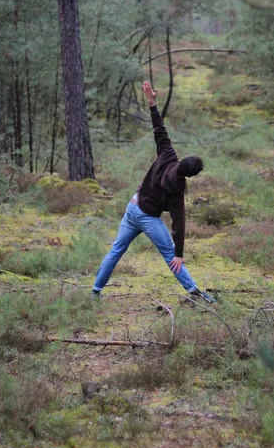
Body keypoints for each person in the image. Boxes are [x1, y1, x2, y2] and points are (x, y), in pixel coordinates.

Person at [92, 80, 215, 304]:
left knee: (116, 251)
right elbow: (179, 223)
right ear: (191, 175)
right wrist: (179, 253)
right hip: (148, 218)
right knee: (170, 257)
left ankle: (95, 291)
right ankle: (196, 293)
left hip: (132, 206)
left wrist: (152, 103)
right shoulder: (178, 191)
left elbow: (159, 129)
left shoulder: (167, 153)